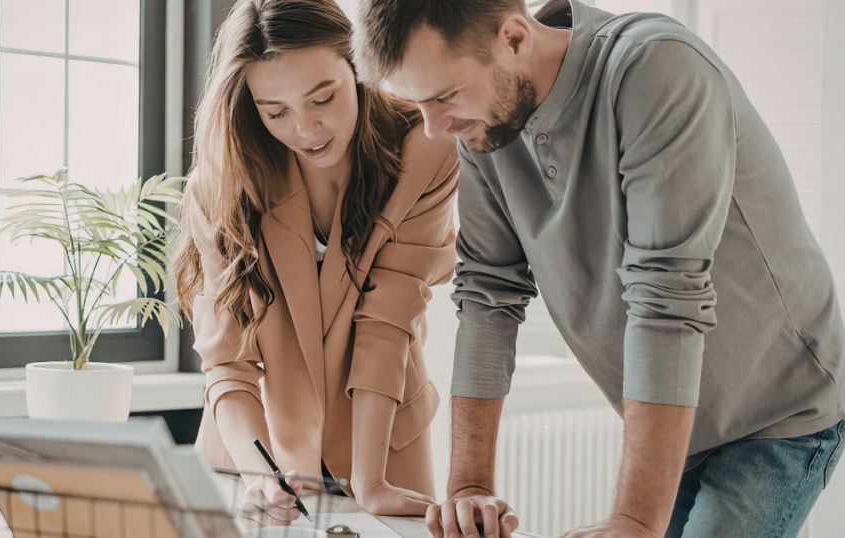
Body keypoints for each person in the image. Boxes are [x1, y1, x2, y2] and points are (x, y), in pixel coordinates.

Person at [352, 0, 845, 537]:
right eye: (418, 103)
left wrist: (633, 519)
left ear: (515, 39)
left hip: (779, 410)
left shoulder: (656, 68)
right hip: (683, 415)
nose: (434, 128)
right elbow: (487, 294)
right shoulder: (482, 124)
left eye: (444, 96)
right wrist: (469, 485)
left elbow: (666, 295)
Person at [172, 0, 460, 525]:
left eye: (323, 98)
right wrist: (262, 476)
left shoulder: (426, 149)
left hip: (381, 448)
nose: (307, 129)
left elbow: (388, 321)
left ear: (358, 67)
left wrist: (370, 481)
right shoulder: (222, 184)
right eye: (275, 112)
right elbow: (228, 364)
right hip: (253, 458)